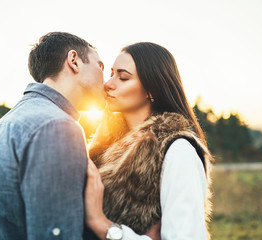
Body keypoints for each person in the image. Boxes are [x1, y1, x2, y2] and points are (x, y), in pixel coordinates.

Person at [0, 32, 105, 240]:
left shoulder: (3, 124)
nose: (106, 79)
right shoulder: (57, 126)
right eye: (100, 66)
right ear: (74, 61)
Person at [84, 42, 213, 240]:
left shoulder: (177, 150)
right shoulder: (105, 147)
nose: (108, 83)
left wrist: (103, 225)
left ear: (151, 90)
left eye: (123, 77)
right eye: (111, 74)